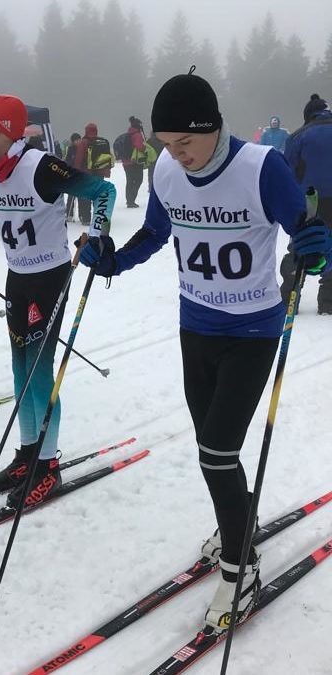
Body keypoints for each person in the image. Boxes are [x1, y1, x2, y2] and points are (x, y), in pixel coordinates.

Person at [79, 68, 332, 632]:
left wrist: (317, 250)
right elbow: (153, 234)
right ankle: (237, 519)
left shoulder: (259, 168)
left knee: (216, 452)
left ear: (213, 126)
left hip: (253, 329)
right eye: (167, 144)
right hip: (195, 326)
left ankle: (240, 571)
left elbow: (307, 234)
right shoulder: (168, 171)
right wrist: (114, 260)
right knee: (214, 445)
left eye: (187, 141)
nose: (178, 155)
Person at [0, 95, 116, 507]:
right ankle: (26, 453)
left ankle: (48, 465)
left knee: (39, 371)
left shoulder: (41, 166)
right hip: (17, 276)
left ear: (6, 131)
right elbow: (3, 212)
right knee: (19, 366)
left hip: (51, 276)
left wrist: (99, 234)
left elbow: (102, 190)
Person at [282, 94, 332, 314]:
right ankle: (329, 301)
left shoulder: (298, 136)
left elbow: (287, 172)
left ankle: (289, 298)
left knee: (302, 244)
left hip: (310, 200)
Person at [74, 122, 113, 225]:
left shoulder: (84, 142)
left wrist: (76, 172)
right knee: (98, 195)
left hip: (86, 174)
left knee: (86, 196)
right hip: (100, 173)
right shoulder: (103, 141)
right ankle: (99, 217)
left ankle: (86, 218)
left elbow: (79, 158)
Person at [122, 115, 147, 208]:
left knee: (129, 181)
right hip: (135, 162)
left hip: (126, 162)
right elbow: (139, 146)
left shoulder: (129, 134)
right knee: (138, 180)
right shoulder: (137, 134)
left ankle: (129, 200)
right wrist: (145, 148)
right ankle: (131, 200)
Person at [64, 132, 82, 221]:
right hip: (73, 174)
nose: (78, 141)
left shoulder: (83, 148)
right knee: (71, 196)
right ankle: (69, 214)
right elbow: (67, 161)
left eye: (79, 139)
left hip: (82, 174)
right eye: (76, 140)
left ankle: (82, 215)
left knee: (81, 196)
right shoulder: (70, 149)